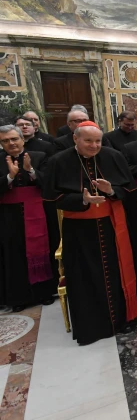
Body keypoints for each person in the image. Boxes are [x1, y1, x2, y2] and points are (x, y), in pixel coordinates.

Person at [43, 121, 137, 345]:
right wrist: (81, 199)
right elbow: (51, 198)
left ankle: (124, 317)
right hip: (80, 232)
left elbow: (129, 190)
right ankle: (93, 325)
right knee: (85, 276)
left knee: (118, 271)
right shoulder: (58, 161)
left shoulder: (113, 156)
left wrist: (111, 190)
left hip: (112, 227)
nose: (94, 145)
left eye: (98, 140)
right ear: (75, 139)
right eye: (88, 140)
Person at [0, 126, 55, 312]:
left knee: (41, 251)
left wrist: (30, 170)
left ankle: (44, 293)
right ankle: (19, 297)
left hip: (38, 212)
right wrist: (9, 176)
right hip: (9, 216)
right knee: (14, 255)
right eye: (6, 141)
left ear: (22, 139)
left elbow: (49, 182)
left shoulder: (39, 156)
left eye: (14, 139)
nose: (11, 143)